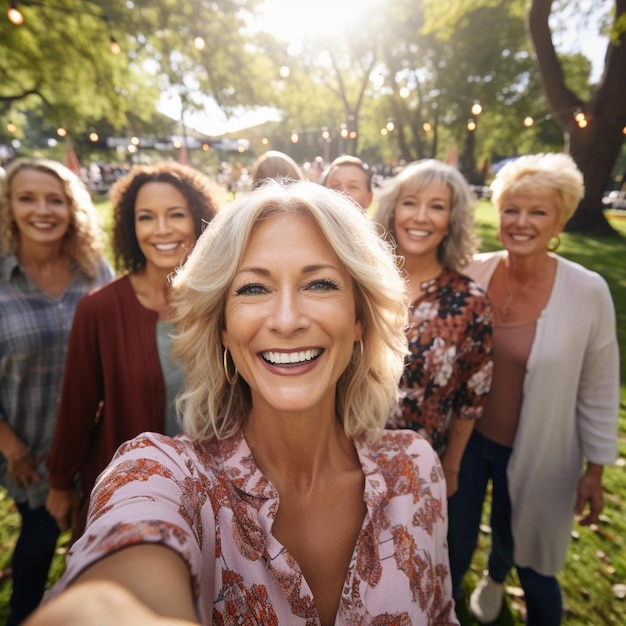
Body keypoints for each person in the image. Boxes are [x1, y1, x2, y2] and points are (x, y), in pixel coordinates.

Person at [28, 180, 459, 625]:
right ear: (223, 331)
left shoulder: (415, 469)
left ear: (359, 321)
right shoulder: (167, 475)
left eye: (320, 284)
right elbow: (115, 589)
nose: (288, 320)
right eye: (254, 289)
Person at [448, 153, 619, 625]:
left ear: (559, 220)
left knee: (526, 549)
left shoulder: (588, 292)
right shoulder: (473, 272)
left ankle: (498, 577)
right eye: (511, 209)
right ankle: (445, 604)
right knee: (452, 540)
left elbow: (600, 387)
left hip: (539, 450)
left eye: (537, 212)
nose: (521, 222)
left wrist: (596, 470)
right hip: (464, 442)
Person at [45, 161, 218, 544]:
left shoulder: (222, 301)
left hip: (216, 490)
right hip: (130, 494)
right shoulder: (100, 309)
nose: (161, 229)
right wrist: (60, 481)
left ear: (200, 220)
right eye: (146, 217)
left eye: (176, 214)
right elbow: (78, 404)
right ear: (130, 226)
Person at [0, 157, 114, 625]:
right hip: (25, 447)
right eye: (27, 198)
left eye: (56, 200)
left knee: (90, 537)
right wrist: (13, 448)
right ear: (9, 207)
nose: (42, 210)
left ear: (72, 208)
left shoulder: (93, 271)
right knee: (41, 533)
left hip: (92, 445)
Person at [376, 159, 493, 497]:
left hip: (422, 472)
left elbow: (472, 397)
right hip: (342, 461)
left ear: (451, 222)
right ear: (393, 210)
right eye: (410, 202)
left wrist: (452, 467)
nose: (421, 216)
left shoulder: (470, 301)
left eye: (437, 206)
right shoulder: (362, 286)